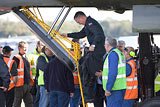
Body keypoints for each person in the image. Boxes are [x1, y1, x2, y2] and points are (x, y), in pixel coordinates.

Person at [62, 11, 106, 102]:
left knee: (88, 69)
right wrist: (68, 35)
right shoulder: (87, 26)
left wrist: (93, 45)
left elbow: (99, 34)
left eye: (78, 22)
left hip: (97, 51)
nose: (79, 23)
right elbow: (80, 34)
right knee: (85, 68)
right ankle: (89, 95)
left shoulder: (91, 23)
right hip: (94, 51)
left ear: (82, 17)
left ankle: (89, 95)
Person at [102, 37, 126, 107]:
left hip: (114, 89)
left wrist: (108, 88)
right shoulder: (119, 53)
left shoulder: (112, 54)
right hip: (119, 87)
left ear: (107, 45)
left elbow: (113, 73)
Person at [13, 41, 34, 107]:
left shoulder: (26, 58)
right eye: (24, 47)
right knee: (17, 103)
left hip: (27, 84)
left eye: (26, 47)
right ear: (19, 48)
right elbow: (13, 72)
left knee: (29, 103)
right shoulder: (16, 58)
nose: (26, 49)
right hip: (19, 85)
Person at [27, 41, 44, 107]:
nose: (43, 47)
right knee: (35, 100)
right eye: (42, 45)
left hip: (42, 82)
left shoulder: (45, 56)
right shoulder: (30, 56)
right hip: (33, 82)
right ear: (37, 45)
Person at [70, 39, 81, 107]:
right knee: (75, 102)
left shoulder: (68, 52)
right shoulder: (77, 54)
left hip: (71, 82)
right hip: (76, 81)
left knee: (73, 102)